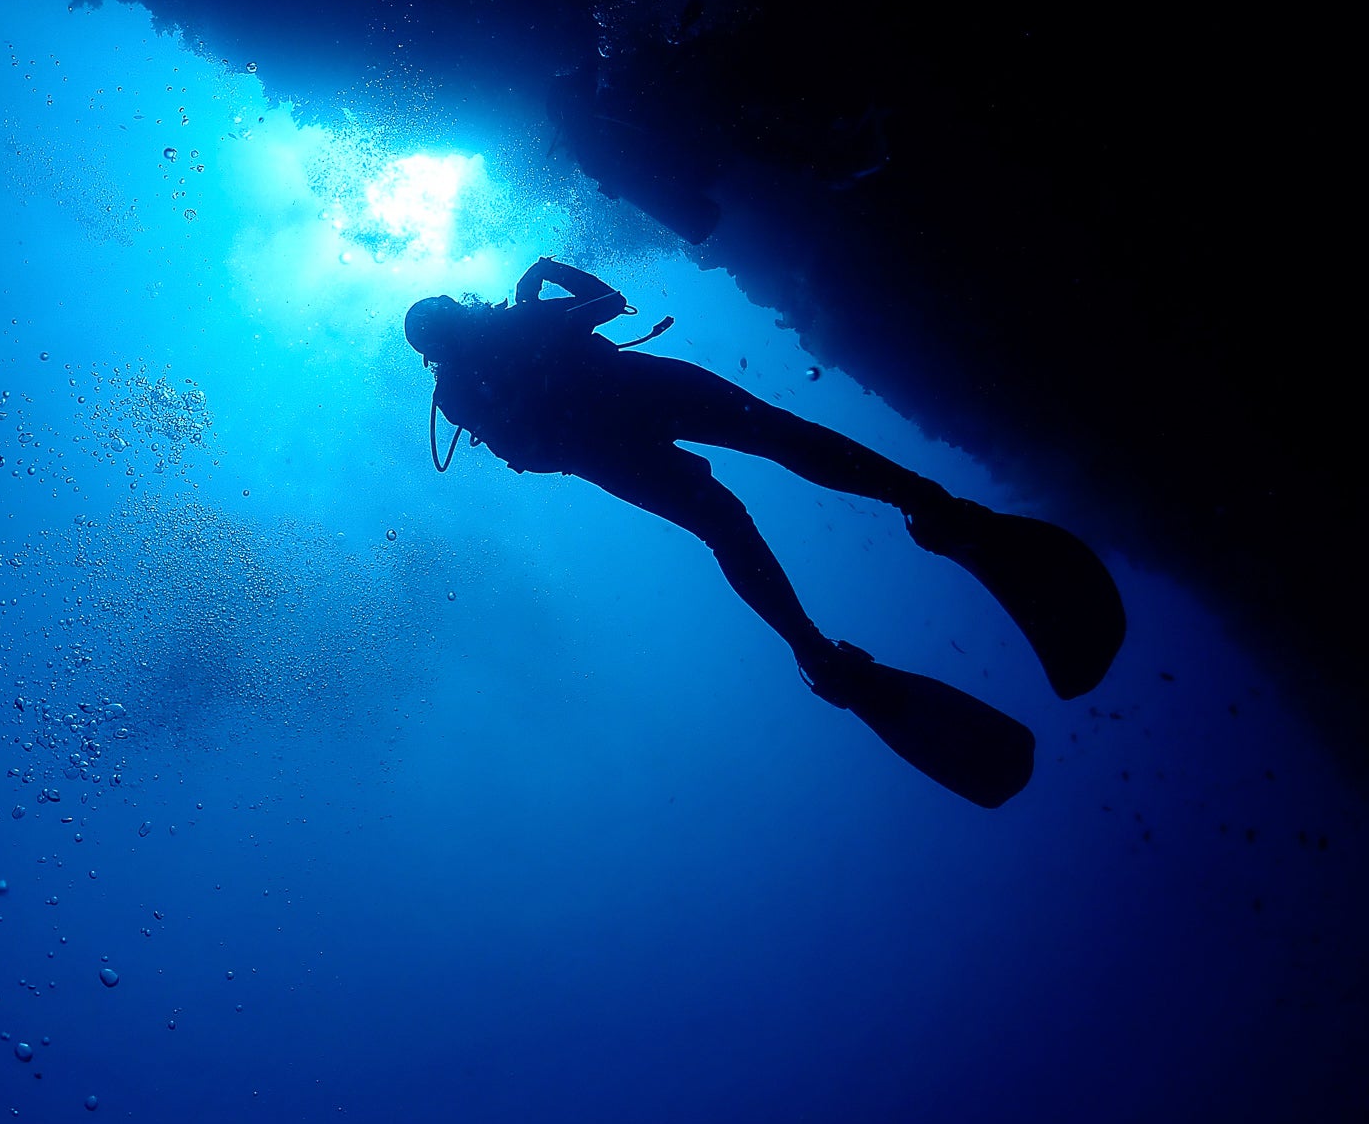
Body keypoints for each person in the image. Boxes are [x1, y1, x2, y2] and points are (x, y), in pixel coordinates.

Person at [404, 258, 1124, 807]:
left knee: (725, 526)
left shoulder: (462, 392)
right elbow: (608, 303)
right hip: (638, 396)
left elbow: (529, 453)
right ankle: (935, 507)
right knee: (780, 436)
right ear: (449, 320)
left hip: (606, 451)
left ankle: (817, 653)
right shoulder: (504, 328)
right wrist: (546, 272)